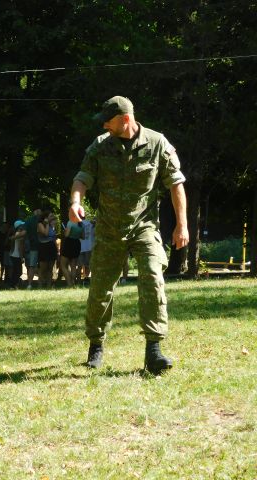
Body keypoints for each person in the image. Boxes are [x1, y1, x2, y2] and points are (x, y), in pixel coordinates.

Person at [69, 96, 188, 375]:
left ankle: (153, 350)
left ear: (125, 119)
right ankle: (96, 344)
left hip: (145, 226)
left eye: (108, 121)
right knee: (100, 289)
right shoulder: (100, 146)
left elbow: (176, 184)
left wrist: (181, 225)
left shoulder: (157, 143)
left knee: (152, 277)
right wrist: (75, 202)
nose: (104, 125)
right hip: (109, 228)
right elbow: (82, 178)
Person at [59, 219, 84, 287]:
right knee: (73, 265)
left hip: (69, 243)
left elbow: (66, 235)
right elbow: (83, 236)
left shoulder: (70, 222)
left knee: (63, 265)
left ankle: (69, 283)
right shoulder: (81, 224)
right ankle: (73, 282)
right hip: (77, 243)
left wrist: (65, 231)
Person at [37, 211, 58, 289]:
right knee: (43, 268)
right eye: (51, 216)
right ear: (45, 217)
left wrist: (57, 250)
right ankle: (40, 285)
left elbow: (54, 238)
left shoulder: (52, 225)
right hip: (43, 247)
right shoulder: (40, 224)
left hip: (51, 246)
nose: (53, 217)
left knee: (50, 268)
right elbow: (45, 234)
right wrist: (47, 224)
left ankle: (48, 285)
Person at [23, 209, 42, 289]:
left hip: (32, 246)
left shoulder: (28, 221)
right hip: (42, 245)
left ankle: (29, 284)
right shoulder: (43, 219)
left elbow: (24, 233)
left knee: (31, 266)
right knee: (41, 266)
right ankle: (40, 284)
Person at [8, 220, 26, 288]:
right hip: (17, 255)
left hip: (13, 255)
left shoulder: (15, 233)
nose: (23, 226)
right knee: (18, 271)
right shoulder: (19, 234)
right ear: (19, 226)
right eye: (21, 225)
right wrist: (21, 257)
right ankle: (13, 285)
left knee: (15, 271)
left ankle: (13, 285)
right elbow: (20, 247)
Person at [77, 218, 95, 282]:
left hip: (80, 247)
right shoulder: (91, 223)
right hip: (89, 247)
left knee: (79, 266)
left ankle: (79, 281)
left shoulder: (78, 223)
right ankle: (87, 279)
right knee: (88, 265)